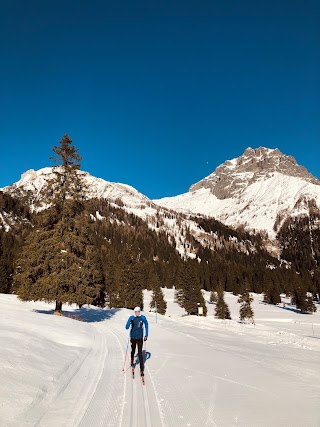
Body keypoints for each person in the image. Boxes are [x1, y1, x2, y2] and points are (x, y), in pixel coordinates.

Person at [125, 306, 149, 376]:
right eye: (136, 312)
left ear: (140, 312)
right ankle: (132, 360)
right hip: (133, 337)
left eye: (138, 312)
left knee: (140, 353)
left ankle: (142, 369)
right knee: (133, 350)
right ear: (134, 312)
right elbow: (126, 327)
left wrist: (146, 335)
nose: (137, 313)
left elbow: (147, 325)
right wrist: (130, 323)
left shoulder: (143, 317)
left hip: (140, 338)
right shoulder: (131, 317)